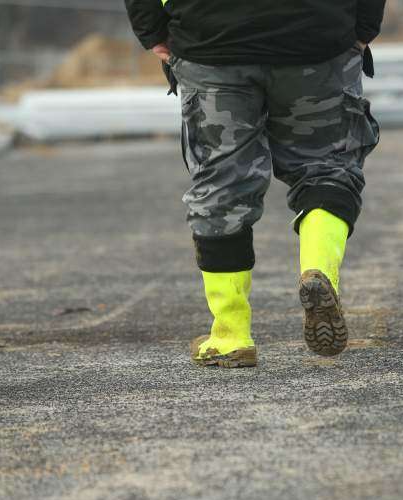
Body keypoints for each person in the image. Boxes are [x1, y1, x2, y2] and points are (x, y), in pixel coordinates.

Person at [125, 0, 385, 368]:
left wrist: (153, 31)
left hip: (211, 39)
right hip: (317, 35)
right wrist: (363, 27)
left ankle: (230, 335)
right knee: (327, 167)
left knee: (221, 183)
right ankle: (319, 270)